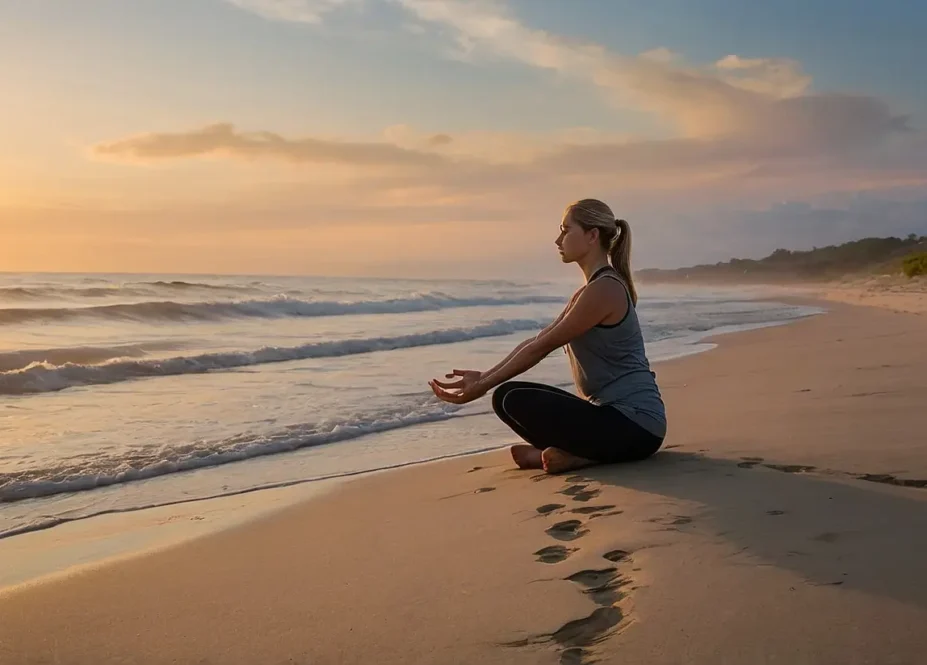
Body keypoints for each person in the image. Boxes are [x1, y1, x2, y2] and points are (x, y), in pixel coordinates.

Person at [428, 198, 667, 474]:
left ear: (592, 236)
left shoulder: (604, 290)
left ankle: (584, 456)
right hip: (615, 421)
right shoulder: (590, 291)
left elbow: (541, 348)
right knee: (508, 399)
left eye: (566, 230)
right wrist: (483, 377)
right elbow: (536, 341)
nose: (558, 239)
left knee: (509, 396)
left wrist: (482, 387)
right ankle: (576, 453)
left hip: (636, 425)